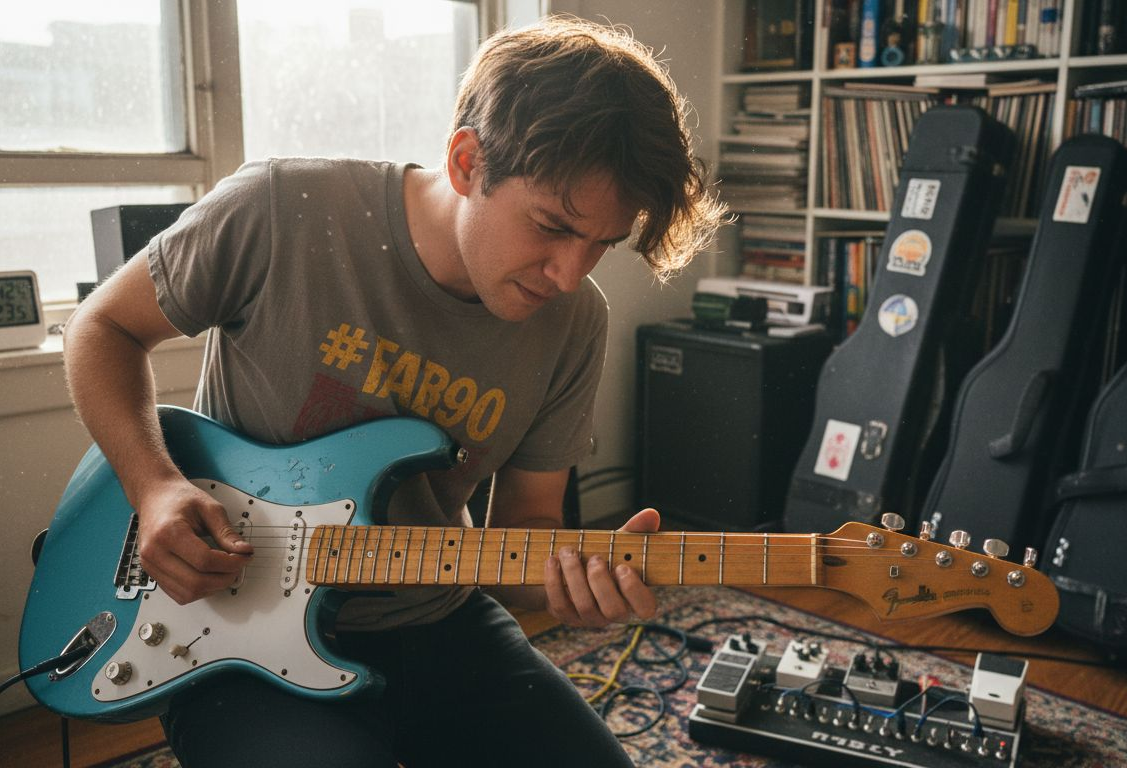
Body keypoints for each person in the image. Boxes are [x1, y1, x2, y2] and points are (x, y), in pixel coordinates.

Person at [62, 14, 725, 768]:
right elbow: (102, 328)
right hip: (226, 631)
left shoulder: (575, 322)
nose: (570, 275)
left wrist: (571, 583)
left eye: (602, 243)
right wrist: (154, 487)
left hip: (437, 621)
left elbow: (528, 525)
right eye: (551, 226)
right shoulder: (282, 209)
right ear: (467, 161)